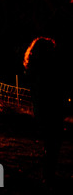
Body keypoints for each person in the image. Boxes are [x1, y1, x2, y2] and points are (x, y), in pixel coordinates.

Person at [24, 37, 65, 185]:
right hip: (51, 107)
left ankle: (48, 173)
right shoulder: (49, 69)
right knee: (54, 142)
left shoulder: (33, 67)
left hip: (41, 108)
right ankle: (48, 175)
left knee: (50, 141)